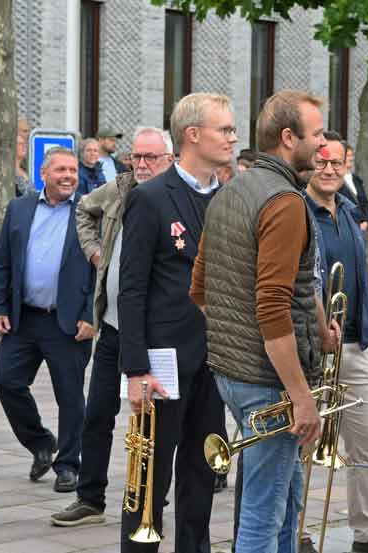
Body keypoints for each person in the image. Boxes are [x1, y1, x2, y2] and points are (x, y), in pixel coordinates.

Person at [190, 90, 336, 553]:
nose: (325, 147)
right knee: (263, 514)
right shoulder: (285, 201)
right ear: (288, 138)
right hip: (268, 381)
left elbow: (201, 289)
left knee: (286, 499)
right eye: (316, 135)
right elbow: (272, 304)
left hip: (232, 373)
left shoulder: (231, 190)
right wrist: (299, 396)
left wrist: (315, 324)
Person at [118, 93, 233, 553]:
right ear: (192, 135)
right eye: (223, 129)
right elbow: (132, 289)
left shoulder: (228, 197)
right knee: (149, 478)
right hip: (163, 363)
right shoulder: (150, 198)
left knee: (202, 472)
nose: (231, 137)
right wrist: (135, 370)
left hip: (215, 360)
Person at [49, 127, 174, 527]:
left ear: (169, 160)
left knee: (157, 421)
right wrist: (94, 252)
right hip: (113, 325)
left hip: (157, 333)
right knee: (98, 413)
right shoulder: (119, 188)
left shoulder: (175, 195)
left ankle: (152, 500)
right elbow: (83, 209)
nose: (141, 165)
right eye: (136, 157)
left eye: (150, 158)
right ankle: (90, 498)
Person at [0, 147, 95, 493]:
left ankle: (68, 465)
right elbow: (2, 260)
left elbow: (103, 268)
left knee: (70, 396)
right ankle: (40, 442)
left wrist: (91, 315)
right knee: (7, 382)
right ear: (44, 174)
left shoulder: (89, 210)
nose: (68, 176)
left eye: (73, 171)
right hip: (24, 319)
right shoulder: (20, 208)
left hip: (68, 323)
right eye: (61, 170)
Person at [304, 131, 368, 552]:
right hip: (314, 350)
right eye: (321, 162)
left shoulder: (349, 211)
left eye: (337, 162)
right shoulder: (299, 209)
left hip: (353, 346)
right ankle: (296, 531)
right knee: (304, 443)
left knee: (367, 443)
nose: (330, 169)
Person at [341, 142, 368, 230]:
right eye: (348, 155)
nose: (351, 158)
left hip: (361, 227)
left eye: (352, 155)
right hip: (346, 227)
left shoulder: (356, 179)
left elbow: (365, 202)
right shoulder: (335, 180)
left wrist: (366, 220)